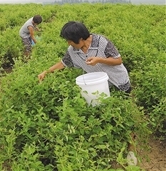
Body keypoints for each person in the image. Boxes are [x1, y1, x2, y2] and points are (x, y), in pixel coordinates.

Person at [37, 21, 136, 165]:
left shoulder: (101, 42)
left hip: (118, 83)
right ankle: (111, 147)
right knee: (105, 114)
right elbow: (63, 63)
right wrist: (46, 71)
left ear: (81, 38)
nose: (69, 43)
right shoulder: (73, 50)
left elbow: (118, 60)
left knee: (125, 116)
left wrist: (99, 60)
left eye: (70, 40)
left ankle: (131, 149)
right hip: (100, 87)